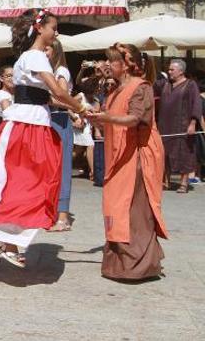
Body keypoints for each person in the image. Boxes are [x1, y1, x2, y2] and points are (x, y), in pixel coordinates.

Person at [0, 9, 86, 268]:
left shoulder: (30, 57)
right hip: (27, 125)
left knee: (11, 182)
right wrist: (80, 108)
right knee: (24, 184)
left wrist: (73, 108)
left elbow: (50, 96)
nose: (55, 33)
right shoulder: (35, 56)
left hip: (31, 122)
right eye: (53, 27)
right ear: (39, 29)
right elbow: (57, 90)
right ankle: (2, 239)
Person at [88, 43, 168, 281]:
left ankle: (138, 266)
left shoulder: (139, 87)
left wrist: (108, 117)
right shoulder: (114, 91)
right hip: (119, 156)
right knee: (116, 206)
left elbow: (135, 118)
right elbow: (112, 121)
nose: (106, 65)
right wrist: (95, 119)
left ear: (125, 65)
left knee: (133, 210)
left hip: (138, 156)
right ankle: (119, 264)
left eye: (111, 61)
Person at [157, 59, 202, 193]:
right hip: (165, 125)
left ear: (181, 71)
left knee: (184, 153)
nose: (169, 72)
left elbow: (196, 104)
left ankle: (184, 183)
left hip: (183, 125)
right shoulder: (165, 84)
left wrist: (193, 123)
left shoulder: (190, 85)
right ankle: (166, 181)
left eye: (172, 70)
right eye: (169, 69)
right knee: (164, 153)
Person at [46, 40, 74, 232]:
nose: (43, 51)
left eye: (46, 48)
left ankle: (63, 216)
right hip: (50, 120)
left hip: (59, 120)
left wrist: (43, 97)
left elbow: (63, 98)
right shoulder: (47, 72)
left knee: (62, 167)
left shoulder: (60, 71)